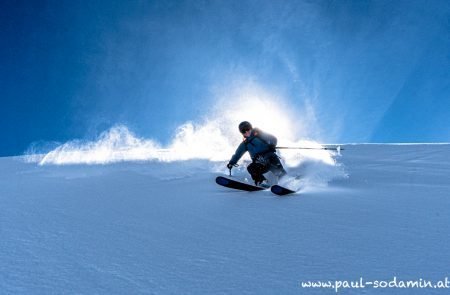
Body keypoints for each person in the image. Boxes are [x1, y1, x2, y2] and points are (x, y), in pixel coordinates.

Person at [227, 121, 286, 187]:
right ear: (242, 133)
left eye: (248, 128)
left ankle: (289, 182)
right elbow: (237, 154)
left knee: (279, 172)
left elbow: (273, 138)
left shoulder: (259, 134)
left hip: (269, 157)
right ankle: (261, 182)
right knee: (251, 168)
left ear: (251, 128)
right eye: (244, 131)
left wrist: (272, 145)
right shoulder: (245, 144)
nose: (246, 131)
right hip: (259, 163)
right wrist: (231, 162)